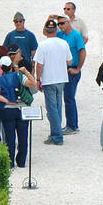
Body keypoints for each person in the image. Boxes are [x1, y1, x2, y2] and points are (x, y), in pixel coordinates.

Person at [0, 53, 39, 168]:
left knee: (10, 138)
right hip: (22, 109)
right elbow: (33, 83)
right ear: (11, 66)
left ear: (1, 67)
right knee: (23, 137)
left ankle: (10, 162)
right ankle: (21, 161)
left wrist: (8, 101)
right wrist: (27, 72)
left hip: (8, 110)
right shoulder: (19, 76)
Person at [34, 17, 71, 145]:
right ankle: (56, 132)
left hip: (49, 79)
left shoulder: (42, 45)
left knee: (52, 109)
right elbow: (69, 61)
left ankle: (57, 136)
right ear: (56, 30)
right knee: (58, 107)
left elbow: (39, 65)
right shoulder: (63, 43)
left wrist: (38, 79)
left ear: (45, 30)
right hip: (61, 78)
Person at [58, 12, 87, 135]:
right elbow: (46, 32)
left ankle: (72, 126)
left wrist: (78, 68)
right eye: (58, 24)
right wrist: (49, 19)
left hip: (72, 69)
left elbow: (82, 52)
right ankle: (71, 124)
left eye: (62, 23)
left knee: (69, 98)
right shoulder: (60, 34)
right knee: (67, 98)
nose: (60, 26)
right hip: (63, 70)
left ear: (68, 22)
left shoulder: (76, 35)